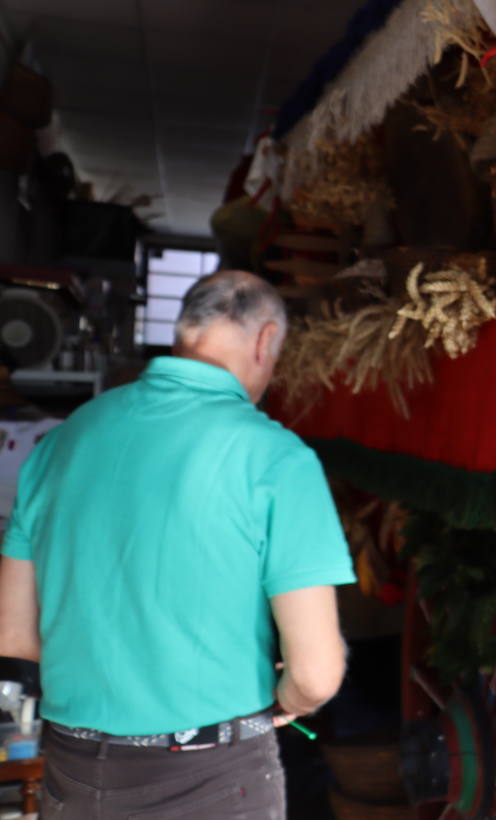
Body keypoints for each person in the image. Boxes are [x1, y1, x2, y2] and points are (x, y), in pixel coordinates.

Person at [0, 270, 355, 819]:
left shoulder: (62, 441)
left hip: (72, 768)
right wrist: (287, 703)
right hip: (211, 777)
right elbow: (315, 673)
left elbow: (12, 631)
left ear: (183, 332)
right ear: (265, 342)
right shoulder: (277, 459)